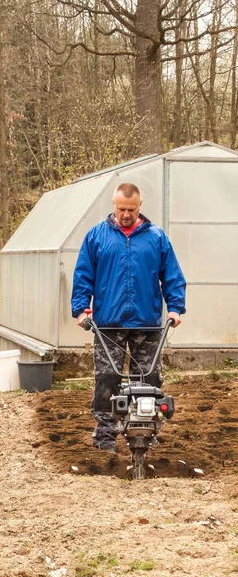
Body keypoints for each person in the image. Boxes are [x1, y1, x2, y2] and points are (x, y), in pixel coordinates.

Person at [71, 183, 186, 452]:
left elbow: (172, 275)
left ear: (140, 206)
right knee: (107, 378)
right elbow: (83, 276)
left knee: (149, 378)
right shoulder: (96, 237)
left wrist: (175, 308)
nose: (126, 214)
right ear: (114, 205)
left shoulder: (156, 237)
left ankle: (147, 430)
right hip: (108, 323)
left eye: (131, 209)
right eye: (121, 208)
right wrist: (80, 309)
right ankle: (105, 436)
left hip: (147, 322)